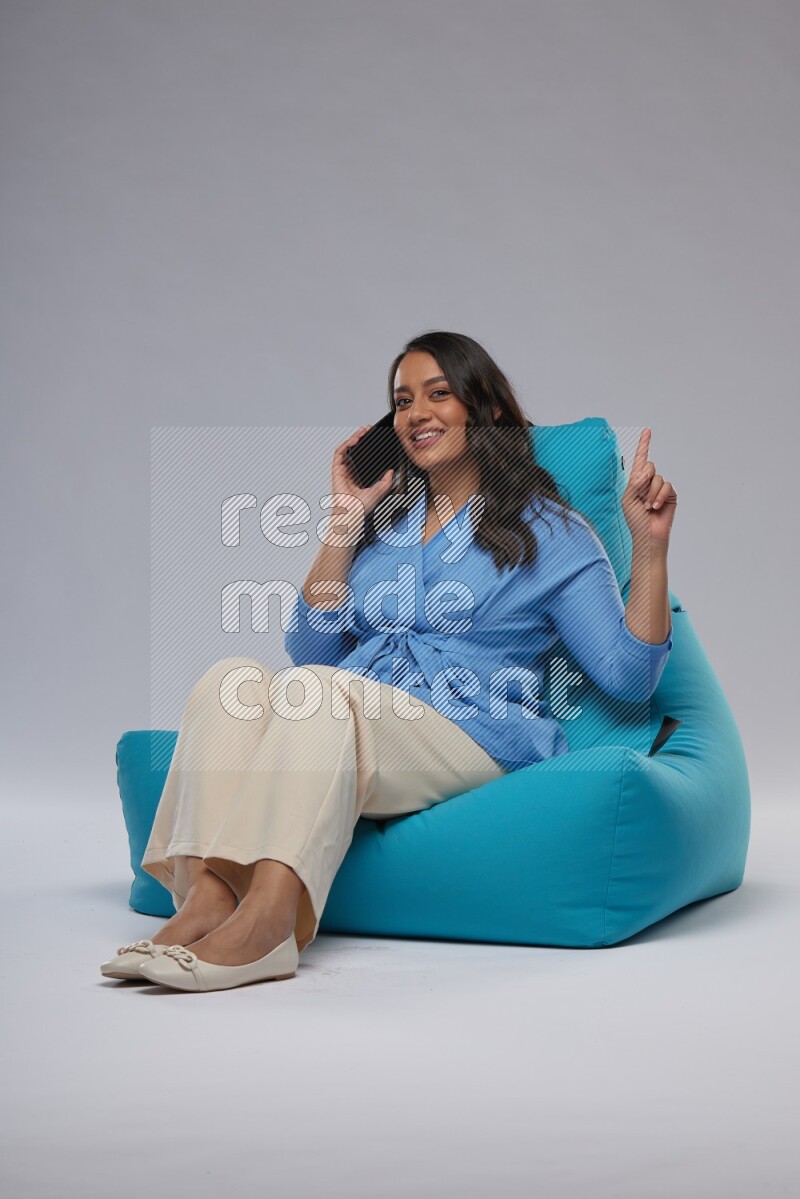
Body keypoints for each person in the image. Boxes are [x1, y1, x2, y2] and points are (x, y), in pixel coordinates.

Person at [100, 330, 677, 992]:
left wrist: (650, 549)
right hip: (356, 719)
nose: (415, 414)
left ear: (486, 410)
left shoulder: (551, 532)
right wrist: (345, 520)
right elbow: (310, 647)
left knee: (316, 693)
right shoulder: (386, 527)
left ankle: (266, 928)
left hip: (473, 733)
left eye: (438, 393)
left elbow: (628, 675)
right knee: (228, 680)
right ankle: (202, 903)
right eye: (402, 400)